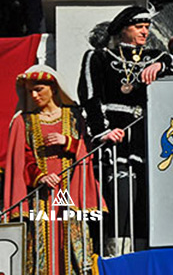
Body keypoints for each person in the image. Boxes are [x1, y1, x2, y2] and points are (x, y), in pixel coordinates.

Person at [78, 5, 173, 255]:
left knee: (146, 201)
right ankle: (115, 257)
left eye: (147, 27)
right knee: (120, 201)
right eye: (138, 27)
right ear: (123, 29)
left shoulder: (155, 57)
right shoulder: (99, 57)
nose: (145, 32)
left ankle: (143, 258)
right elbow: (90, 96)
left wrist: (162, 67)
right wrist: (103, 131)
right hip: (115, 140)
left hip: (146, 140)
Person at [5, 65, 105, 275]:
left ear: (54, 88)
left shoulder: (75, 116)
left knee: (71, 237)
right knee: (42, 238)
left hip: (70, 190)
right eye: (30, 91)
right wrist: (40, 177)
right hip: (40, 194)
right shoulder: (25, 121)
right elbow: (23, 157)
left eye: (39, 89)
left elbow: (88, 148)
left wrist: (67, 141)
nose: (34, 95)